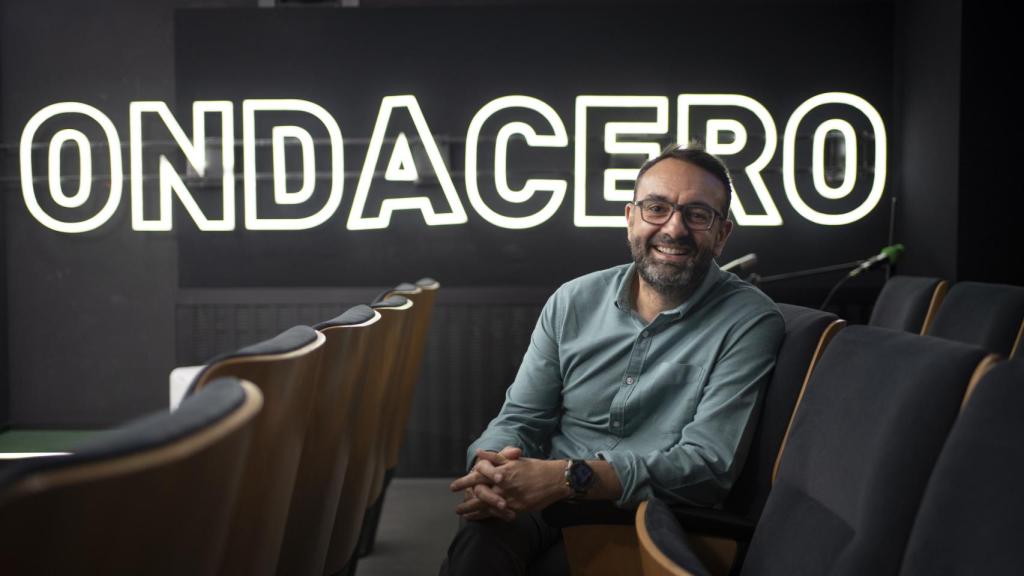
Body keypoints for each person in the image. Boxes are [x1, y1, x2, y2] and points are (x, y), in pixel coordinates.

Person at [440, 144, 784, 575]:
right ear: (630, 219)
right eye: (656, 207)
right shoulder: (572, 301)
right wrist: (490, 464)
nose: (674, 229)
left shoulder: (749, 320)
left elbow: (706, 467)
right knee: (481, 535)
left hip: (648, 513)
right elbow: (522, 417)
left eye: (697, 215)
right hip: (541, 495)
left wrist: (569, 477)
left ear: (722, 234)